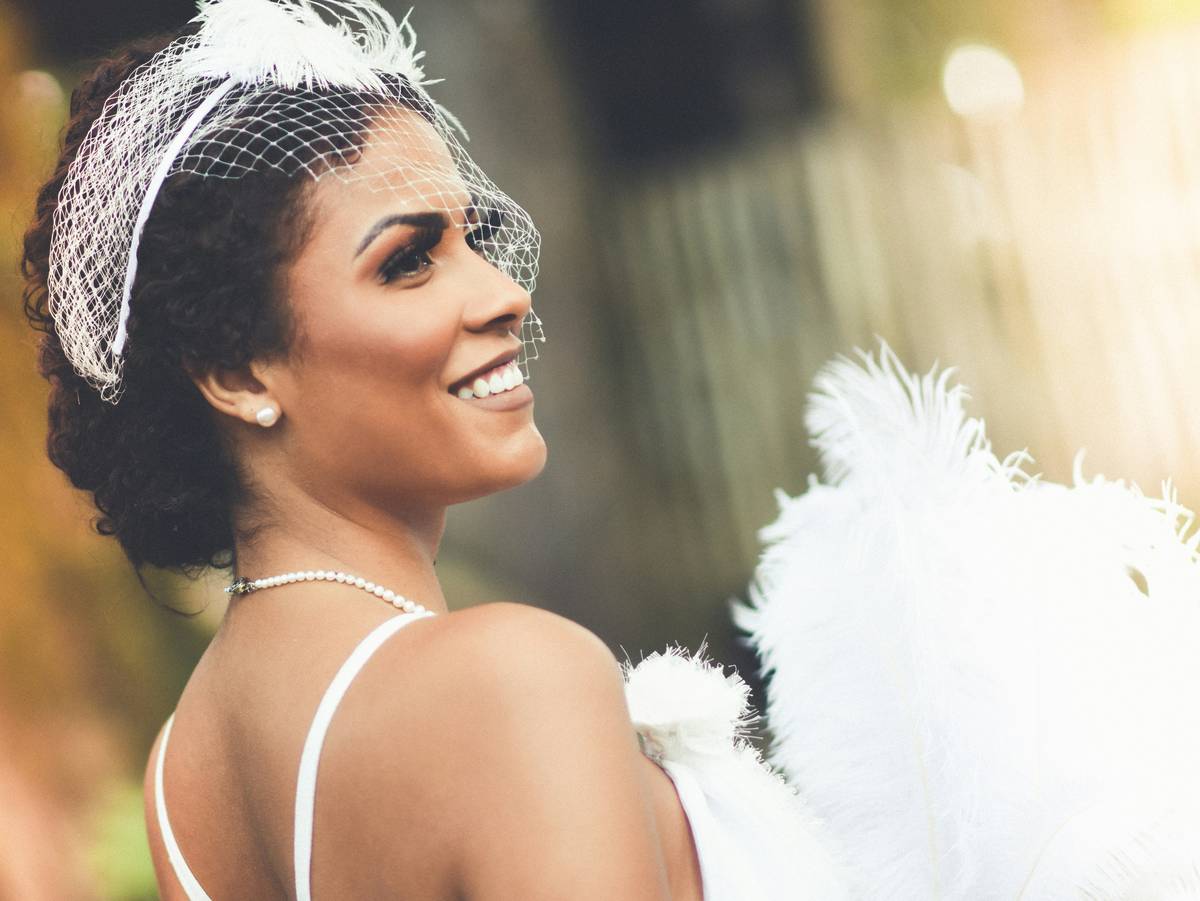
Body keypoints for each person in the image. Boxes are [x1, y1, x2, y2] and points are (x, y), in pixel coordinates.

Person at [22, 2, 847, 898]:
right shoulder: (511, 681)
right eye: (408, 261)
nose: (503, 295)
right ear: (235, 370)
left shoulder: (184, 777)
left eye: (474, 240)